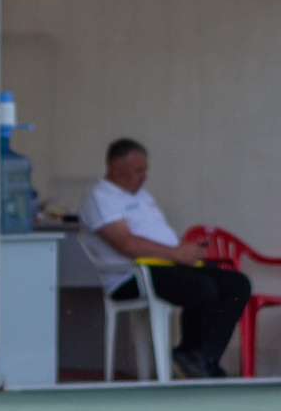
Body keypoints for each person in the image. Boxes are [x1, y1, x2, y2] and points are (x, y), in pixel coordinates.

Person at [80, 138, 251, 381]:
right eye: (139, 170)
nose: (145, 176)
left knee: (237, 284)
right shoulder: (100, 196)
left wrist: (186, 251)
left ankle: (203, 358)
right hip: (132, 275)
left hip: (167, 264)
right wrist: (176, 253)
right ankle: (190, 352)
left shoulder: (141, 196)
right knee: (202, 288)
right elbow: (125, 243)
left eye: (146, 169)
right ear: (117, 169)